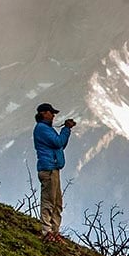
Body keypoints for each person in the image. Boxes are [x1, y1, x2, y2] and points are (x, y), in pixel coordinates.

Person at [33, 103, 76, 242]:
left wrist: (66, 131)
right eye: (51, 113)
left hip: (53, 168)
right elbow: (58, 143)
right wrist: (66, 129)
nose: (53, 115)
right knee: (49, 200)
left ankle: (54, 231)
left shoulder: (47, 129)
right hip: (49, 168)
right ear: (44, 113)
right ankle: (47, 231)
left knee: (57, 202)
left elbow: (59, 144)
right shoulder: (42, 128)